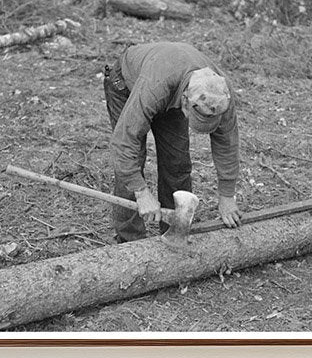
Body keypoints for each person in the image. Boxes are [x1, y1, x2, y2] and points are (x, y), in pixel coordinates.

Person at [103, 41, 241, 242]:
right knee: (133, 162)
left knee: (177, 163)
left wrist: (227, 195)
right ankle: (129, 241)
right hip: (127, 83)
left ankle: (175, 232)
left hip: (170, 83)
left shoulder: (220, 92)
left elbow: (227, 141)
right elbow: (124, 143)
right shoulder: (154, 87)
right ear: (185, 102)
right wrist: (141, 193)